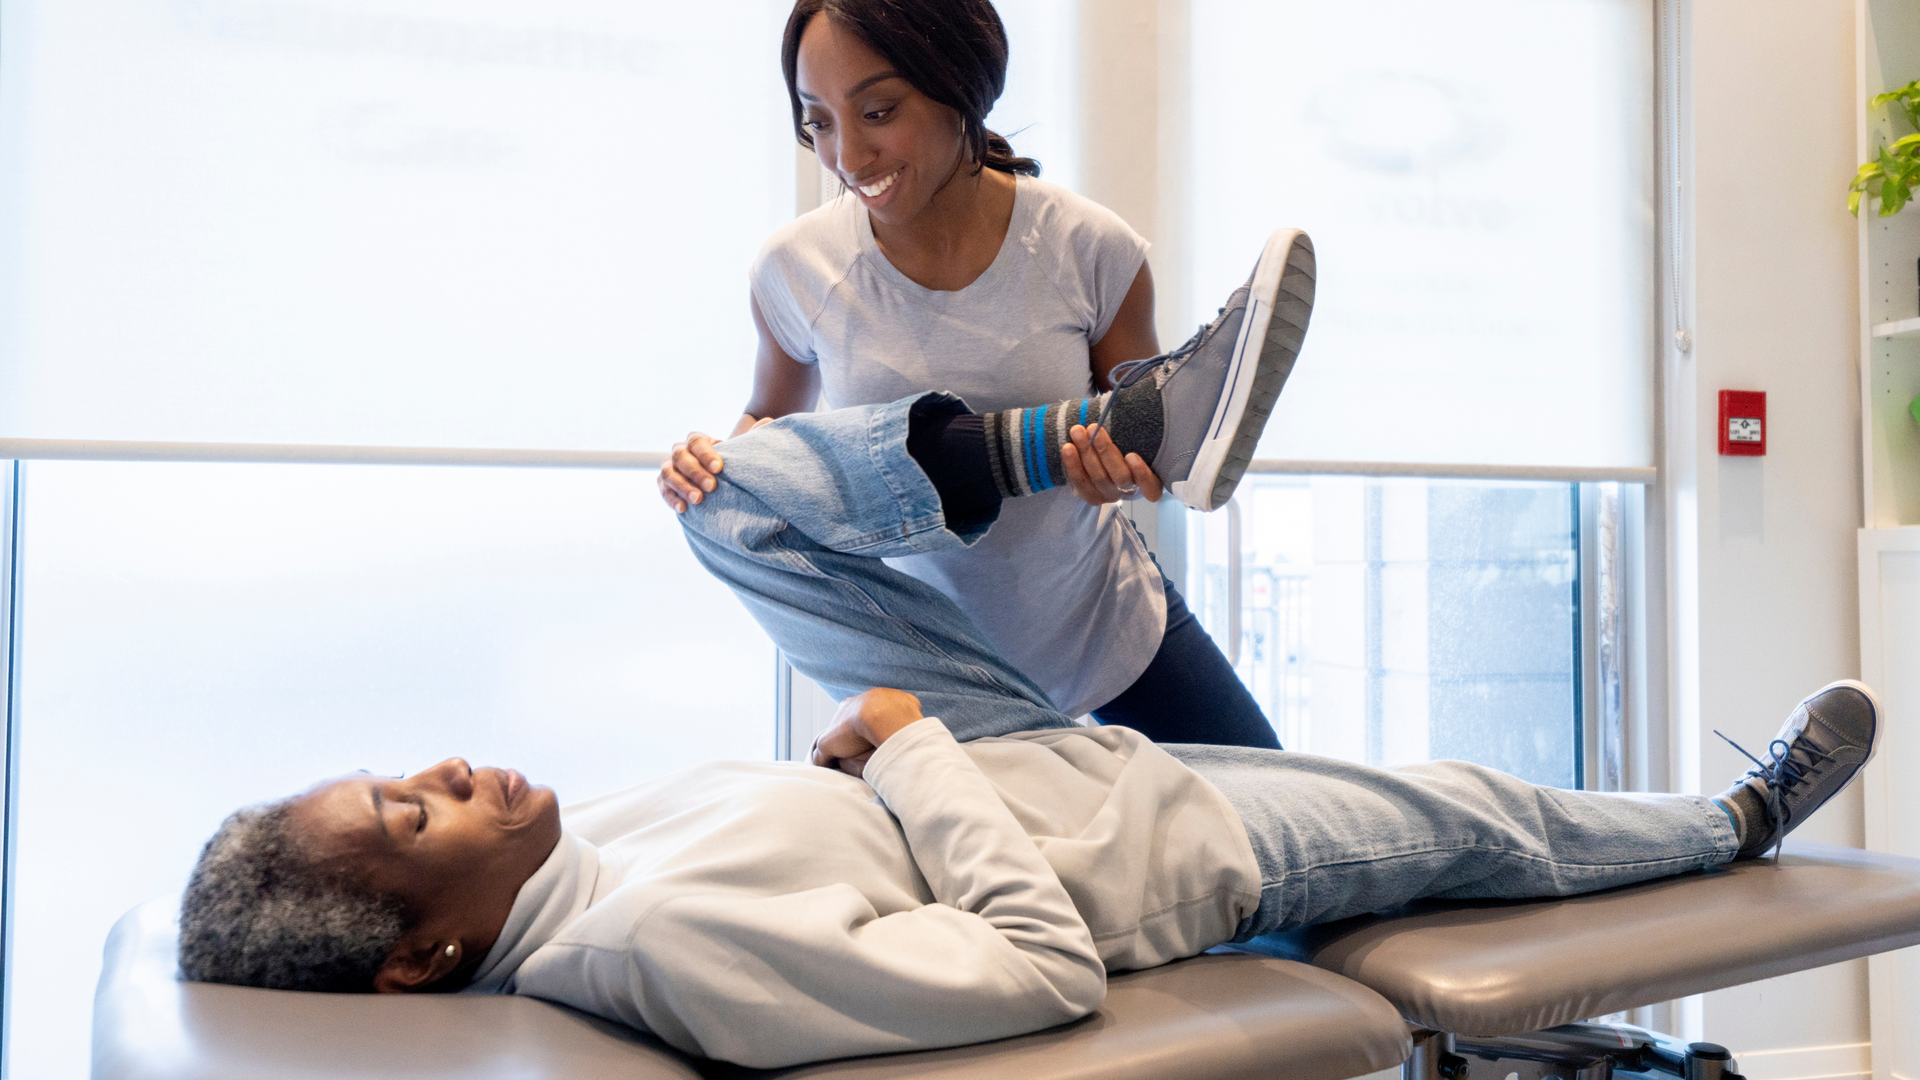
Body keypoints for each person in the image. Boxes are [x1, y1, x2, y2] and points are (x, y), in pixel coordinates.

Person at [178, 358, 1880, 1070]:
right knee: (1475, 815)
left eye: (407, 775)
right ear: (419, 959)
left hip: (991, 757)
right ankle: (1734, 820)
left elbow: (845, 836)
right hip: (1140, 849)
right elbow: (1043, 972)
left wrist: (892, 748)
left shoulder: (574, 864)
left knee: (729, 494)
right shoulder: (663, 946)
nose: (452, 770)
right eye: (415, 816)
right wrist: (908, 747)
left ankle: (1046, 432)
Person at [654, 0, 1315, 748]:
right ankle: (1141, 415)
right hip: (929, 674)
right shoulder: (795, 269)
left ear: (960, 83)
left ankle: (1144, 418)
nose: (846, 158)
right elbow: (771, 422)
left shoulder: (1090, 249)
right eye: (818, 122)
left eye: (876, 112)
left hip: (1102, 622)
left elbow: (1139, 477)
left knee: (1276, 818)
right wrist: (717, 464)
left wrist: (1121, 470)